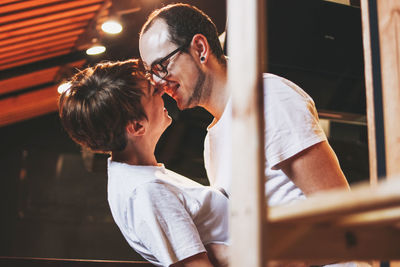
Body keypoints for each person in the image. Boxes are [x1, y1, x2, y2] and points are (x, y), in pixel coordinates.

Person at [139, 3, 351, 205]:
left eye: (162, 66)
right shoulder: (212, 141)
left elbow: (338, 207)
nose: (157, 82)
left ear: (200, 49)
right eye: (151, 73)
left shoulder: (268, 98)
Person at [58, 59, 229, 267]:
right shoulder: (147, 192)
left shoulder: (140, 178)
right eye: (154, 93)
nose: (163, 91)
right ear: (137, 126)